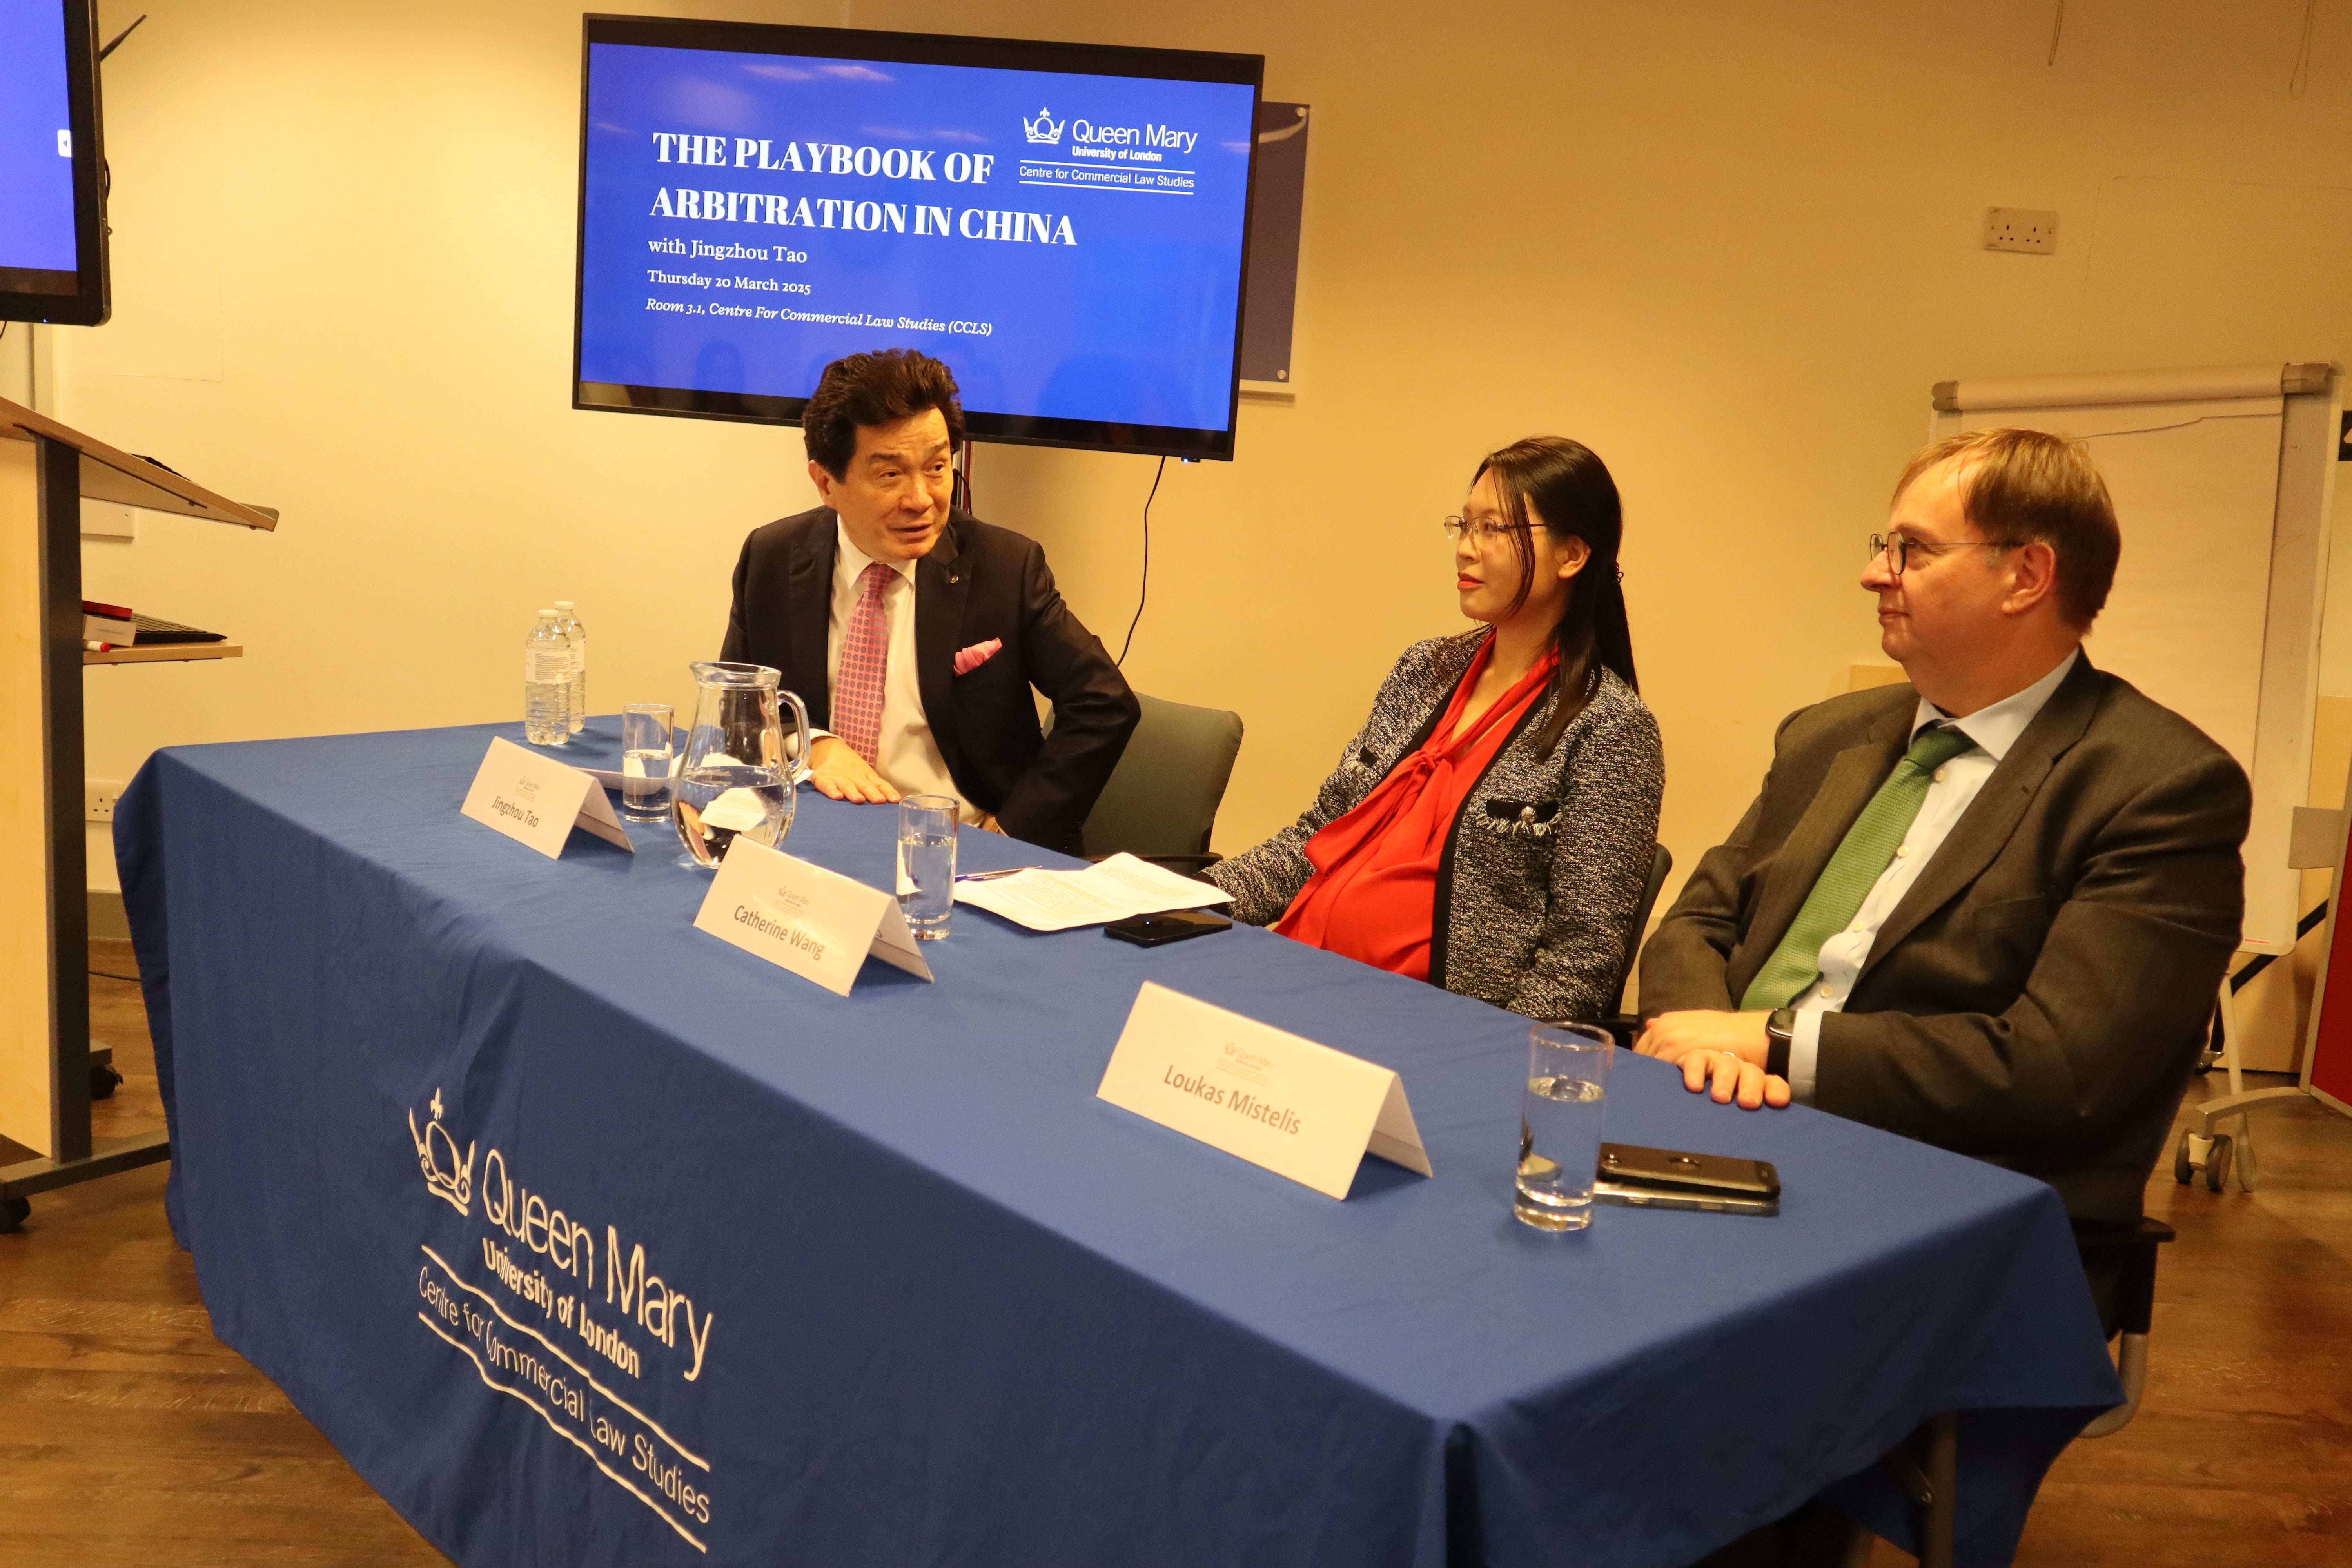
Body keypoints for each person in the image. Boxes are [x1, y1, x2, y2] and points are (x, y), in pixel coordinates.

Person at [1636, 427, 2250, 1228]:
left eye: (1912, 551)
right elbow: (1699, 922)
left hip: (1945, 1193)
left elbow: (2063, 1070)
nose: (1872, 574)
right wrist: (1711, 1051)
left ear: (2026, 575)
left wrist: (1776, 1042)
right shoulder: (1827, 735)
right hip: (1717, 1122)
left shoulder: (2158, 785)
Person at [1205, 437, 1663, 1023]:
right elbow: (1318, 835)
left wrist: (1489, 1062)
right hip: (1297, 976)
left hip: (1430, 1028)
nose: (1466, 550)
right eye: (1463, 526)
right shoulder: (1424, 669)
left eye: (1493, 529)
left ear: (1572, 555)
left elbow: (1581, 960)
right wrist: (1194, 894)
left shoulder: (1610, 729)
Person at [720, 349, 1139, 853]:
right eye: (891, 475)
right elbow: (740, 710)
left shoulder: (1005, 566)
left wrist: (1011, 833)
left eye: (938, 467)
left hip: (961, 851)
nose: (922, 499)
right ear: (826, 482)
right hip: (816, 844)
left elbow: (1105, 705)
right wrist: (817, 746)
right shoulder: (771, 558)